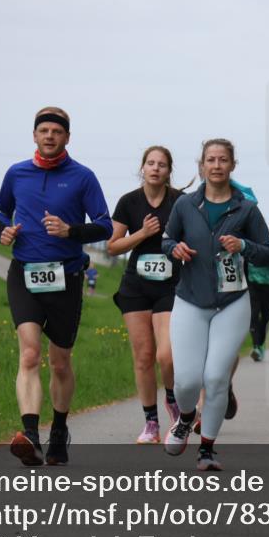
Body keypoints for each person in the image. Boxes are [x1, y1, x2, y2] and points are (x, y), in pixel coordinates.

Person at [0, 106, 113, 467]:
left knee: (60, 362)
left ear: (67, 138)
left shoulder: (83, 177)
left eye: (56, 132)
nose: (49, 136)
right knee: (29, 354)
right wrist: (3, 232)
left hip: (66, 277)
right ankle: (30, 435)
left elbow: (105, 226)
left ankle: (59, 430)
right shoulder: (16, 174)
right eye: (43, 130)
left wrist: (70, 231)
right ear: (34, 135)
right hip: (25, 273)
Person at [162, 138, 269, 470]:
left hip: (232, 302)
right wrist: (174, 250)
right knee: (186, 380)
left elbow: (267, 251)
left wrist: (243, 245)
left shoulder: (246, 208)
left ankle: (207, 449)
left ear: (232, 165)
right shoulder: (185, 205)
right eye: (210, 160)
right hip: (190, 300)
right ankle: (185, 418)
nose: (216, 165)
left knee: (215, 378)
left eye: (222, 160)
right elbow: (167, 239)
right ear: (201, 165)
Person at [107, 146, 184, 444]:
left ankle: (173, 400)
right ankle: (150, 423)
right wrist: (141, 233)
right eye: (150, 163)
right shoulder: (129, 201)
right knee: (143, 357)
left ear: (168, 171)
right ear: (142, 168)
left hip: (171, 286)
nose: (155, 168)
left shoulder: (180, 201)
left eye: (162, 165)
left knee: (167, 355)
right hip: (136, 287)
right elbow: (113, 245)